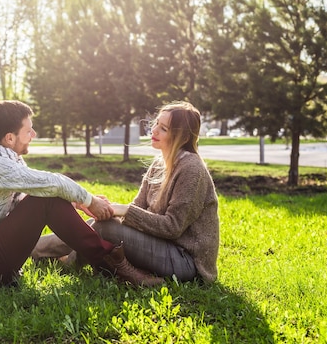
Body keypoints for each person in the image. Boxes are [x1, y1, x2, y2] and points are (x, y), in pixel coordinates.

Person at [0, 100, 164, 290]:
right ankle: (115, 267)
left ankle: (111, 264)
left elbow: (25, 195)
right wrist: (90, 201)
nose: (33, 134)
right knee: (47, 200)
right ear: (9, 138)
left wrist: (78, 202)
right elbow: (52, 182)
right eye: (28, 131)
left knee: (47, 197)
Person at [32, 101, 220, 283]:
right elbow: (138, 209)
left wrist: (122, 210)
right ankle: (33, 248)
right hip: (161, 246)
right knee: (100, 222)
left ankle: (66, 261)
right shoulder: (159, 164)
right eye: (156, 124)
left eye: (164, 129)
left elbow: (172, 227)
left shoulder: (192, 169)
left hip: (186, 261)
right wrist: (108, 210)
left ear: (184, 138)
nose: (153, 130)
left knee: (105, 228)